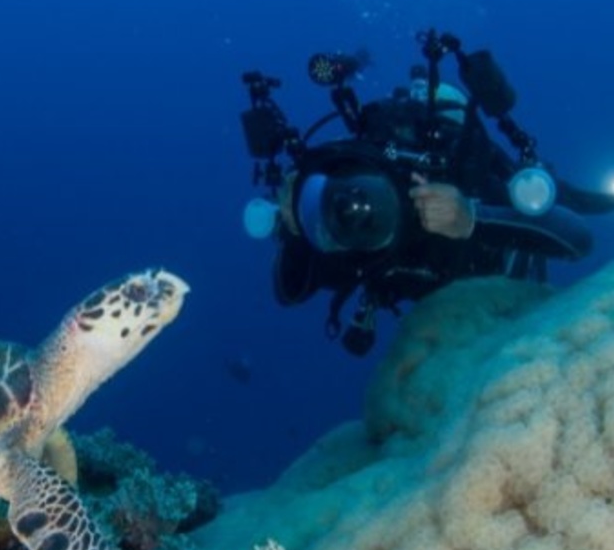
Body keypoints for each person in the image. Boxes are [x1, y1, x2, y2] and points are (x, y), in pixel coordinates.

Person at [241, 32, 613, 355]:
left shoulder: (454, 174)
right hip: (448, 331)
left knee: (556, 196)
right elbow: (289, 291)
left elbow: (576, 239)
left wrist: (471, 219)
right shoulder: (344, 232)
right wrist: (294, 230)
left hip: (494, 274)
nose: (357, 209)